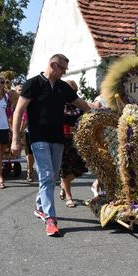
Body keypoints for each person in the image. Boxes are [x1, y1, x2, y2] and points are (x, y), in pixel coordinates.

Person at [11, 54, 92, 237]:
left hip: (58, 139)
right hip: (38, 138)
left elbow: (81, 104)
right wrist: (16, 139)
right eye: (62, 69)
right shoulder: (33, 84)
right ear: (53, 65)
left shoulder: (63, 87)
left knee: (53, 177)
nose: (64, 72)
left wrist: (101, 110)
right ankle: (50, 219)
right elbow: (18, 111)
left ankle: (40, 206)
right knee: (47, 175)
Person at [59, 80, 87, 208]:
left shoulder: (79, 106)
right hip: (62, 139)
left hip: (77, 139)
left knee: (81, 167)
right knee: (66, 168)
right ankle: (69, 196)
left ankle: (63, 185)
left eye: (73, 91)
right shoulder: (58, 105)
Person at [16, 84, 34, 182]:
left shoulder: (28, 100)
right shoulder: (14, 101)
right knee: (29, 154)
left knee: (32, 153)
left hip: (29, 130)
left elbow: (25, 118)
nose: (21, 91)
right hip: (20, 130)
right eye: (19, 90)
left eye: (22, 90)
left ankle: (30, 171)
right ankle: (29, 171)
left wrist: (21, 130)